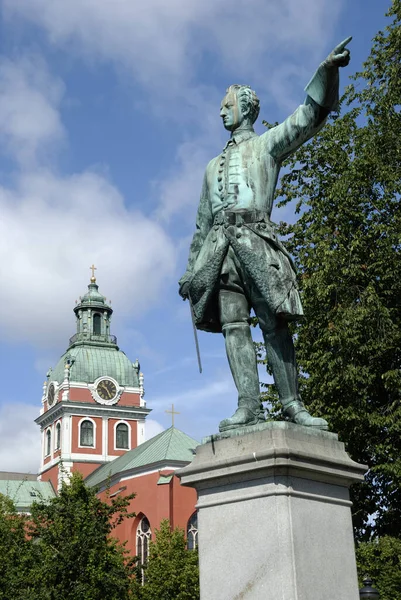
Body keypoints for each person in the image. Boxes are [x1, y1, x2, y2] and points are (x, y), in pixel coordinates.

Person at [179, 39, 352, 432]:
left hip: (256, 241)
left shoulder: (266, 145)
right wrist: (191, 271)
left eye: (228, 104)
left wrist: (326, 73)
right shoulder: (210, 167)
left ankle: (291, 403)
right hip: (219, 253)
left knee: (275, 323)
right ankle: (248, 406)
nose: (221, 110)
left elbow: (307, 117)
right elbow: (201, 223)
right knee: (233, 327)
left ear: (247, 108)